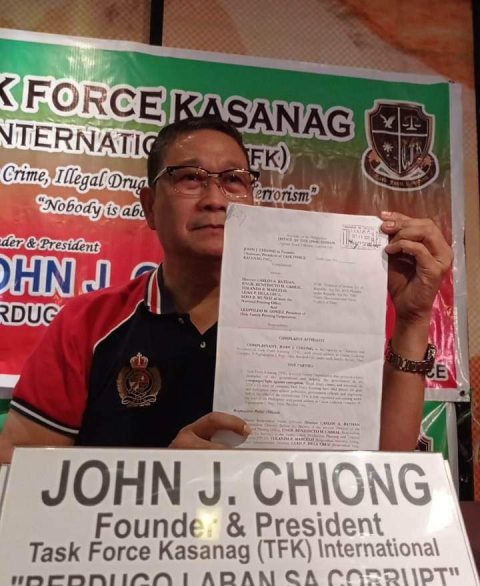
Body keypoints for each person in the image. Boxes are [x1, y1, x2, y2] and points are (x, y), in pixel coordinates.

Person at [0, 116, 453, 462]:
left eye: (234, 179)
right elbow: (18, 475)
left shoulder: (314, 322)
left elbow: (386, 467)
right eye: (189, 178)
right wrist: (161, 480)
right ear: (150, 206)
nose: (215, 199)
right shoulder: (87, 325)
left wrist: (413, 320)